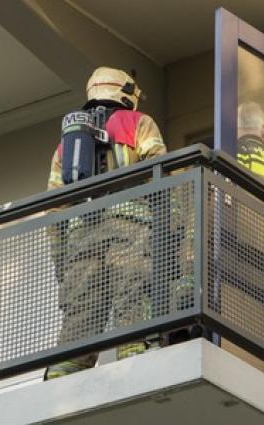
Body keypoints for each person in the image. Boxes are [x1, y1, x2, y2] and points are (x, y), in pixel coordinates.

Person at [44, 66, 167, 380]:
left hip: (80, 236)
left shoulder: (65, 143)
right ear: (124, 92)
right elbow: (161, 172)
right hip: (130, 224)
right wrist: (172, 227)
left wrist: (61, 260)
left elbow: (54, 208)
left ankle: (62, 380)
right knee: (132, 294)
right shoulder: (138, 122)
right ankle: (136, 361)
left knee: (82, 309)